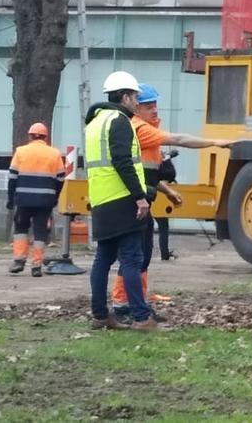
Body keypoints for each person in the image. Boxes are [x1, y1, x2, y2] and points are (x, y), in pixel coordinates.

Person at [112, 83, 232, 315]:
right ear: (135, 107)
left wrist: (167, 191)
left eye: (156, 105)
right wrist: (215, 142)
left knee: (142, 254)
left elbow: (145, 174)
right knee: (136, 256)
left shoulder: (141, 129)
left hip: (142, 201)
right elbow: (178, 139)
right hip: (135, 203)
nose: (155, 110)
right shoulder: (141, 129)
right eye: (148, 106)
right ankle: (123, 304)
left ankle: (134, 301)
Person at [86, 71, 156, 331]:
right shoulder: (119, 121)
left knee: (103, 259)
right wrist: (140, 197)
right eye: (135, 97)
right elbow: (122, 161)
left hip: (102, 199)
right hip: (122, 199)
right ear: (124, 97)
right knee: (132, 259)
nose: (137, 103)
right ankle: (141, 317)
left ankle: (101, 316)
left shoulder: (95, 122)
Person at [6, 123, 66, 276]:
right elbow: (60, 179)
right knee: (40, 232)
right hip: (45, 201)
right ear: (46, 137)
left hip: (23, 200)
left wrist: (10, 198)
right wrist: (55, 197)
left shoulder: (20, 151)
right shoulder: (54, 153)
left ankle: (19, 261)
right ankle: (36, 266)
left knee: (21, 228)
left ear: (30, 136)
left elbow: (12, 177)